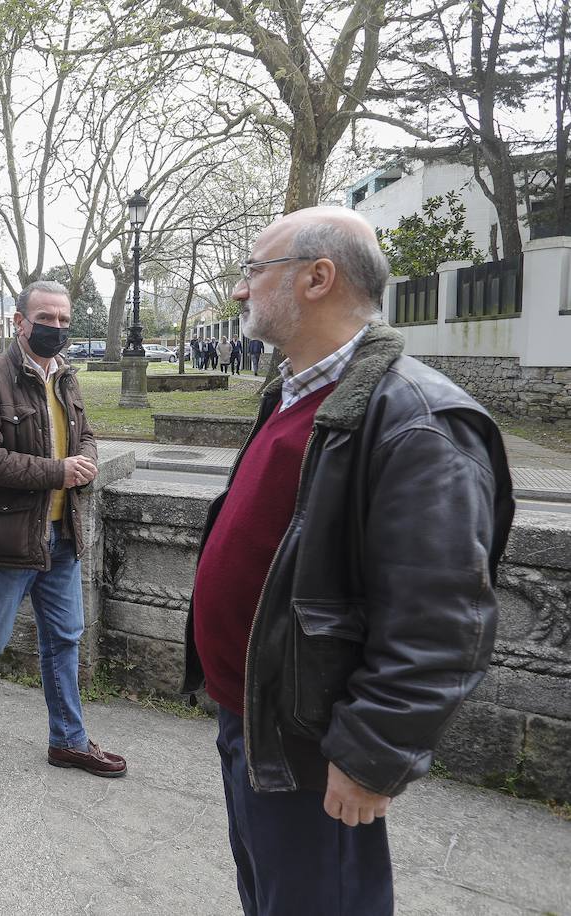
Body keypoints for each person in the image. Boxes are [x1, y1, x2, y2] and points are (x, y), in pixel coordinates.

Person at [183, 207, 514, 915]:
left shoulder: (416, 422)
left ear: (316, 278)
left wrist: (371, 757)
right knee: (271, 896)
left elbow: (442, 623)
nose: (240, 291)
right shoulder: (297, 390)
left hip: (314, 744)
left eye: (252, 271)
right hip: (256, 716)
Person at [0, 280, 126, 780]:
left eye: (64, 320)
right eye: (46, 319)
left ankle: (69, 740)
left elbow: (84, 436)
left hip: (64, 535)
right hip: (11, 537)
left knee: (64, 638)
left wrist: (84, 459)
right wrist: (56, 472)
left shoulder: (67, 377)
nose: (56, 328)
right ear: (20, 322)